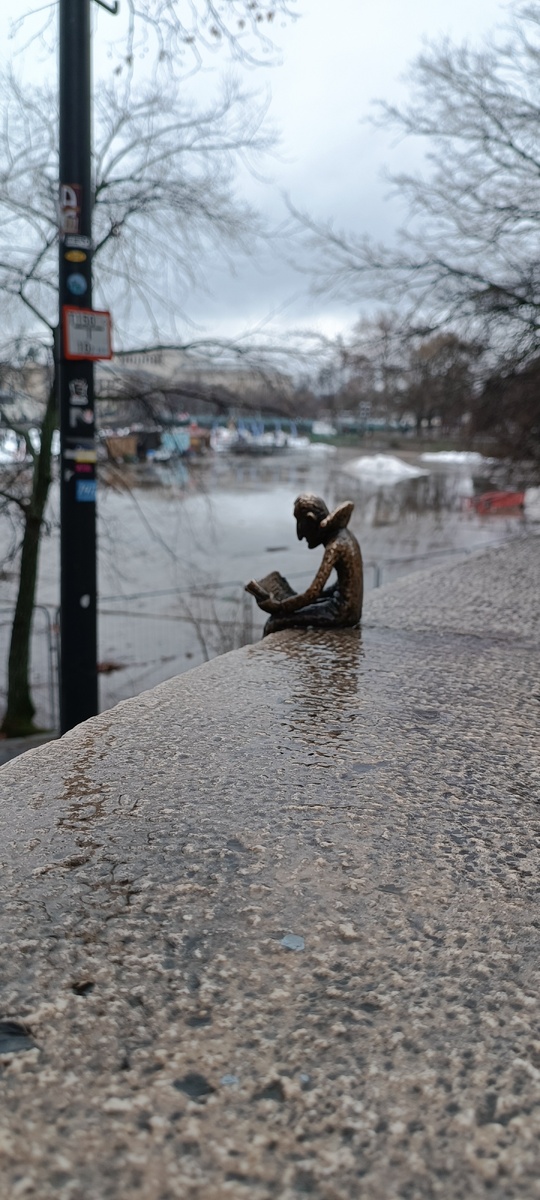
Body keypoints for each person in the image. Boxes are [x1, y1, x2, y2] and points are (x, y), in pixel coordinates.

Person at [245, 493, 363, 636]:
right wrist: (309, 600)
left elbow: (313, 593)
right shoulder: (343, 536)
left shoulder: (335, 545)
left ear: (310, 520)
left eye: (300, 524)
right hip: (349, 609)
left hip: (343, 612)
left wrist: (279, 606)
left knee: (274, 622)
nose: (300, 535)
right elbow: (342, 585)